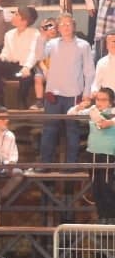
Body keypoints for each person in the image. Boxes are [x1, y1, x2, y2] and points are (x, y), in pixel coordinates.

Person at [38, 13, 94, 165]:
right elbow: (39, 56)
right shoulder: (51, 44)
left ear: (74, 26)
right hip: (53, 93)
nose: (65, 27)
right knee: (49, 130)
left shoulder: (83, 45)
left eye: (68, 24)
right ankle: (45, 164)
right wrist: (42, 37)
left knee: (72, 131)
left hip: (74, 94)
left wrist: (87, 92)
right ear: (58, 27)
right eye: (62, 24)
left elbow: (89, 71)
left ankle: (71, 165)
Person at [0, 6, 39, 108]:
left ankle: (21, 100)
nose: (13, 16)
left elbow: (34, 52)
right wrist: (0, 57)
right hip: (13, 68)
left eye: (16, 14)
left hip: (26, 68)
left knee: (26, 76)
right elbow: (6, 53)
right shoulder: (9, 34)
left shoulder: (35, 33)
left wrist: (27, 67)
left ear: (24, 20)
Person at [83, 86, 115, 223]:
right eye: (98, 99)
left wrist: (111, 122)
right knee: (96, 186)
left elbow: (105, 123)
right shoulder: (92, 111)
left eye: (104, 100)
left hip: (108, 153)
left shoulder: (113, 112)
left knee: (106, 185)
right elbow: (70, 112)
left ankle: (111, 218)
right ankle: (102, 217)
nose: (100, 102)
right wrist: (80, 107)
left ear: (111, 102)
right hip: (92, 152)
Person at [30, 17, 59, 110]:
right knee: (38, 78)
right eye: (48, 27)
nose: (52, 30)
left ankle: (53, 102)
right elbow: (39, 59)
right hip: (42, 66)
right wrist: (45, 70)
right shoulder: (41, 40)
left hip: (56, 67)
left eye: (54, 27)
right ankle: (39, 101)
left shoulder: (60, 40)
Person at [91, 0, 115, 64]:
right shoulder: (101, 1)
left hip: (111, 43)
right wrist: (94, 46)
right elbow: (98, 26)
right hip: (98, 42)